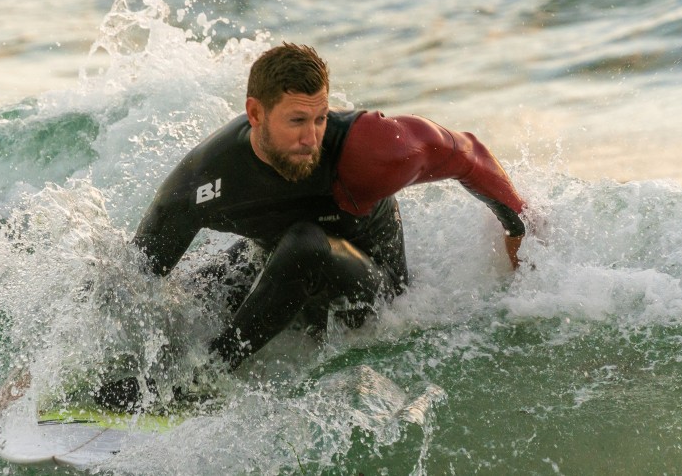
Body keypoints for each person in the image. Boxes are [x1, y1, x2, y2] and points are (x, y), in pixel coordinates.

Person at [97, 42, 526, 409]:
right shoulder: (203, 180)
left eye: (320, 118)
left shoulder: (370, 149)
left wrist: (517, 229)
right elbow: (138, 276)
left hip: (371, 292)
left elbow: (468, 153)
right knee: (166, 289)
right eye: (297, 121)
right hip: (280, 273)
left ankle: (202, 380)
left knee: (305, 243)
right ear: (255, 113)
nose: (312, 138)